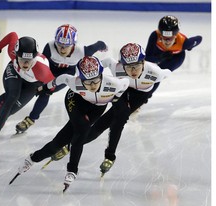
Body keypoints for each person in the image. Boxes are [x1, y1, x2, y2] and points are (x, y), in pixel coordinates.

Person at [45, 43, 172, 177]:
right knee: (99, 124)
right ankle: (73, 145)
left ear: (143, 62)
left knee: (117, 121)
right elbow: (101, 63)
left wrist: (148, 96)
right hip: (122, 91)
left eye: (136, 66)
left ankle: (109, 156)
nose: (133, 71)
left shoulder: (155, 72)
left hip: (139, 96)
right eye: (128, 67)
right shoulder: (115, 67)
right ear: (121, 64)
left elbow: (167, 72)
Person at [10, 56, 129, 191]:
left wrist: (116, 99)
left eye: (95, 81)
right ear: (80, 79)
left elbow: (124, 85)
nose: (92, 86)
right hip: (75, 101)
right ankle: (72, 170)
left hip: (98, 107)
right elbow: (61, 78)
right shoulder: (75, 83)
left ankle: (32, 158)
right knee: (82, 130)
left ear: (101, 75)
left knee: (57, 144)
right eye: (87, 82)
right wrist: (45, 88)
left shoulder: (114, 84)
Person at [0, 24, 108, 133]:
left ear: (74, 44)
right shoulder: (50, 47)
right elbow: (42, 63)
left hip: (63, 75)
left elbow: (99, 44)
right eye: (60, 44)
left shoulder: (83, 51)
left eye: (66, 46)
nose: (62, 49)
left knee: (46, 92)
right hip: (47, 71)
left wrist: (103, 46)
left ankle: (31, 118)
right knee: (11, 95)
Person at [145, 15, 202, 93]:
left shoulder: (184, 42)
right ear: (160, 35)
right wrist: (160, 58)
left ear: (175, 36)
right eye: (164, 38)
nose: (167, 41)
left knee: (158, 74)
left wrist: (190, 46)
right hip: (159, 53)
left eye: (170, 38)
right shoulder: (155, 35)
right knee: (146, 69)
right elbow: (147, 58)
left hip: (176, 57)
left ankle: (146, 96)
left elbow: (199, 38)